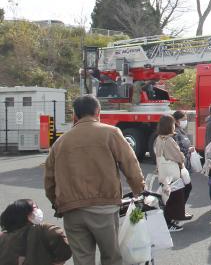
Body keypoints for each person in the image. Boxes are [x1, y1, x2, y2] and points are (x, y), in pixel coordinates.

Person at [44, 95, 144, 265]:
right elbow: (130, 164)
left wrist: (58, 203)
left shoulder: (60, 142)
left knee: (82, 259)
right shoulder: (110, 132)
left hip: (71, 210)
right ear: (98, 111)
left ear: (75, 115)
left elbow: (49, 181)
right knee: (111, 257)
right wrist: (139, 191)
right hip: (104, 207)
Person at [0, 199, 72, 265]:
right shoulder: (44, 229)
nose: (38, 210)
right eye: (35, 208)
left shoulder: (3, 237)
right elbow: (63, 249)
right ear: (26, 214)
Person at [154, 114, 191, 232]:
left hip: (164, 174)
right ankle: (169, 223)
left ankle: (174, 217)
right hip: (172, 175)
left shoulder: (159, 138)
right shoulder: (169, 140)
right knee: (174, 198)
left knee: (170, 198)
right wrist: (182, 158)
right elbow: (179, 157)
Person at [173, 110, 195, 208]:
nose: (185, 121)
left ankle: (179, 209)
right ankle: (178, 210)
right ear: (176, 121)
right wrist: (188, 150)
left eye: (186, 119)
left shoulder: (181, 131)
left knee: (185, 188)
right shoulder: (175, 133)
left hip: (185, 165)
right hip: (179, 166)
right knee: (184, 188)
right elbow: (176, 150)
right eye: (183, 119)